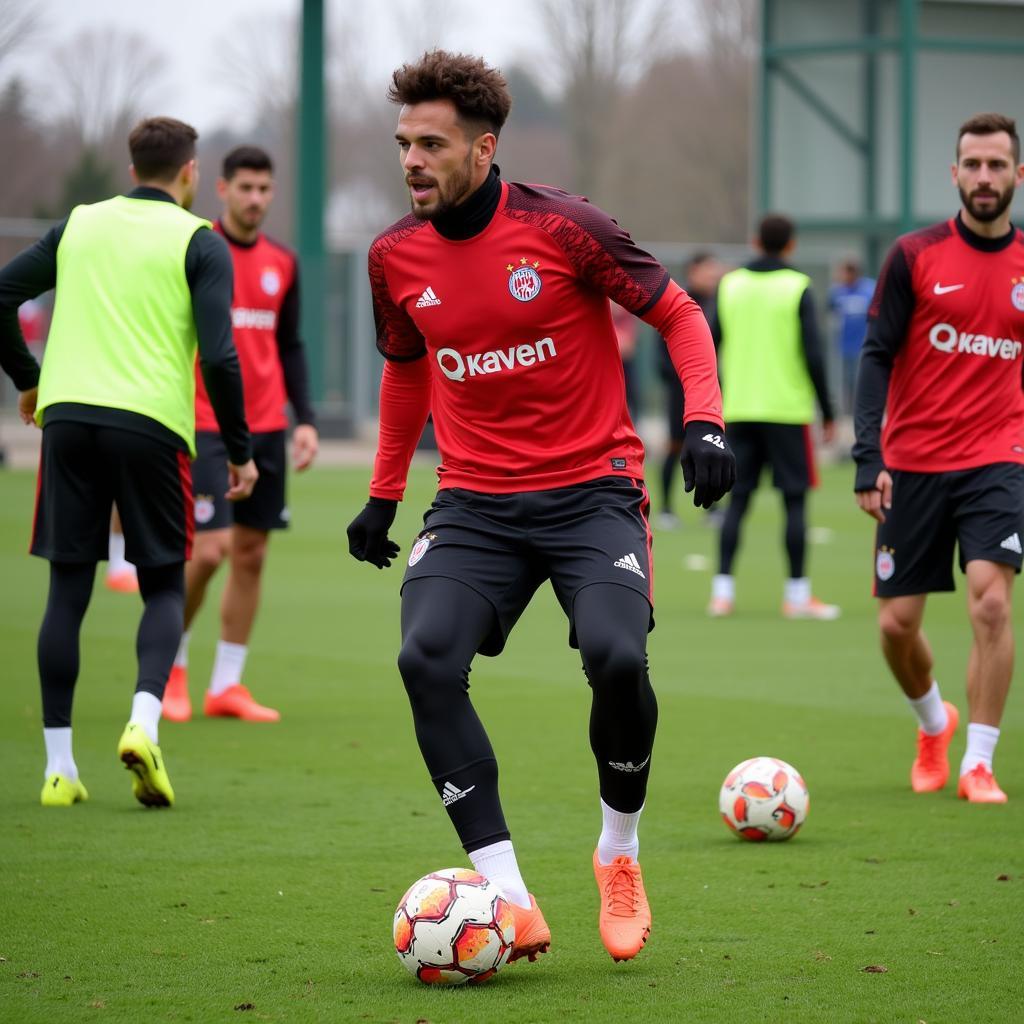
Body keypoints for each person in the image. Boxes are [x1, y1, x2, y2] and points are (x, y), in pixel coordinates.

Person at [346, 51, 734, 965]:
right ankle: (510, 896)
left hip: (592, 491)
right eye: (403, 143)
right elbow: (407, 371)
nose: (411, 161)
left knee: (615, 656)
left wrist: (706, 423)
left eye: (431, 145)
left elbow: (679, 313)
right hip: (475, 503)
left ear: (483, 149)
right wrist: (381, 494)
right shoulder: (392, 257)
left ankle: (619, 852)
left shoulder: (563, 227)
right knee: (425, 658)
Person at [0, 116, 256, 808]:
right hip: (152, 427)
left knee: (67, 591)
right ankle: (144, 724)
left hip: (69, 420)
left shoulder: (78, 224)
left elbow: (0, 294)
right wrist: (239, 451)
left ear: (132, 164)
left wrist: (29, 379)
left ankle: (59, 769)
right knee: (165, 587)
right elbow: (221, 356)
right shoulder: (197, 240)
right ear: (191, 173)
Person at [853, 111, 1024, 804]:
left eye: (997, 165)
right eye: (973, 165)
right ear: (955, 174)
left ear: (1017, 174)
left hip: (998, 456)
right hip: (915, 460)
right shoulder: (914, 255)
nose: (985, 177)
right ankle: (934, 722)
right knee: (897, 626)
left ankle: (978, 762)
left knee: (991, 604)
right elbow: (876, 355)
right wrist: (869, 456)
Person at [161, 146, 318, 724]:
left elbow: (291, 345)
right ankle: (170, 672)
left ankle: (226, 685)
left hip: (268, 429)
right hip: (205, 424)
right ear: (220, 189)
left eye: (264, 189)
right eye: (245, 188)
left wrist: (305, 419)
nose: (256, 199)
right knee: (209, 550)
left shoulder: (284, 261)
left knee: (250, 555)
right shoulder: (195, 247)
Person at [708, 215, 838, 619]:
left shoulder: (729, 285)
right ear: (791, 245)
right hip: (787, 410)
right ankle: (797, 597)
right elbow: (814, 355)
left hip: (739, 408)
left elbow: (708, 342)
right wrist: (828, 411)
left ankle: (722, 593)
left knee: (738, 502)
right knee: (794, 503)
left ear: (754, 241)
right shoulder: (797, 286)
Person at [657, 252, 723, 528]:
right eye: (707, 271)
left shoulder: (719, 304)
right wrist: (684, 379)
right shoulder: (675, 302)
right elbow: (662, 357)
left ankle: (713, 509)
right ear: (693, 271)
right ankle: (666, 509)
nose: (712, 276)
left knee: (713, 445)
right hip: (680, 391)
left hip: (711, 391)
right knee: (674, 448)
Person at [828, 257, 875, 416]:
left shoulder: (869, 289)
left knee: (861, 378)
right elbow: (830, 310)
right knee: (846, 379)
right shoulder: (837, 291)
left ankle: (861, 408)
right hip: (844, 344)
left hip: (864, 342)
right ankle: (847, 411)